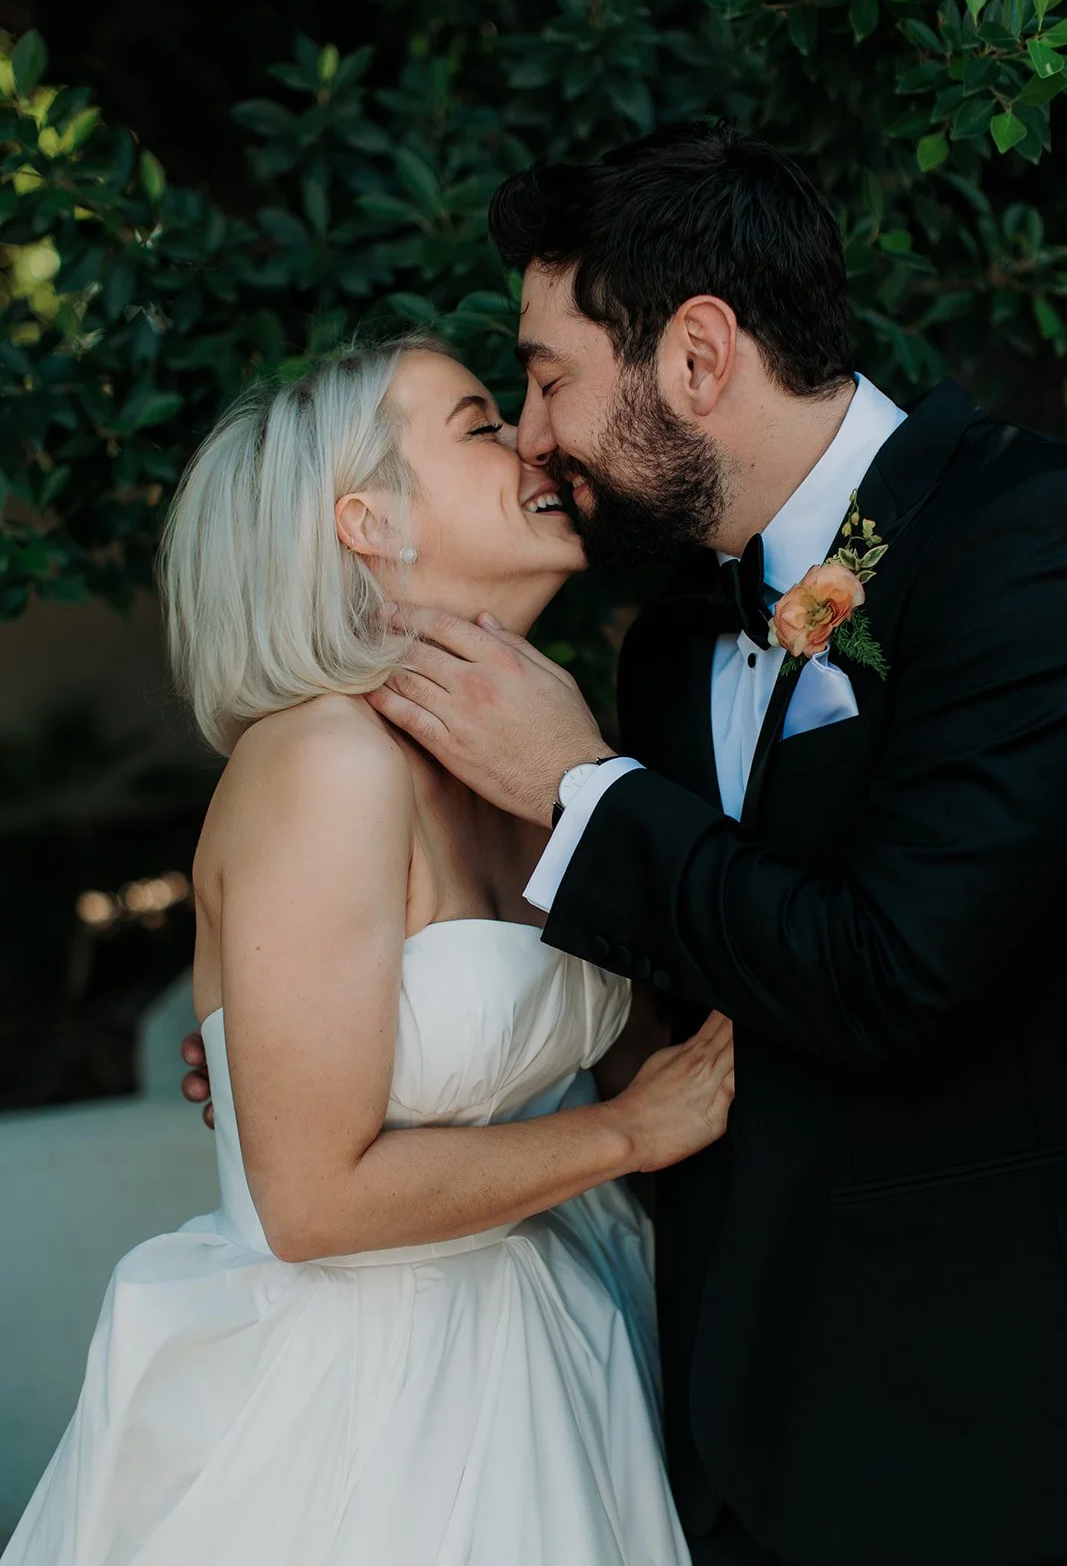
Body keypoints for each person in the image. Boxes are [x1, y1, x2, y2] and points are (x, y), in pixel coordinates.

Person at [364, 123, 1067, 1566]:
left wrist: (580, 787)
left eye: (551, 376)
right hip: (714, 1414)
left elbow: (888, 972)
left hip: (973, 1436)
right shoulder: (677, 630)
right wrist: (340, 1032)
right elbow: (682, 983)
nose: (538, 435)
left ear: (696, 355)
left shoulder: (1024, 544)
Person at [3, 338, 740, 1566]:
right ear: (367, 520)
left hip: (558, 1346)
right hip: (366, 1407)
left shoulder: (536, 741)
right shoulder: (322, 761)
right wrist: (625, 1135)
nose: (532, 440)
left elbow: (647, 1054)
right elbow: (309, 1199)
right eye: (473, 424)